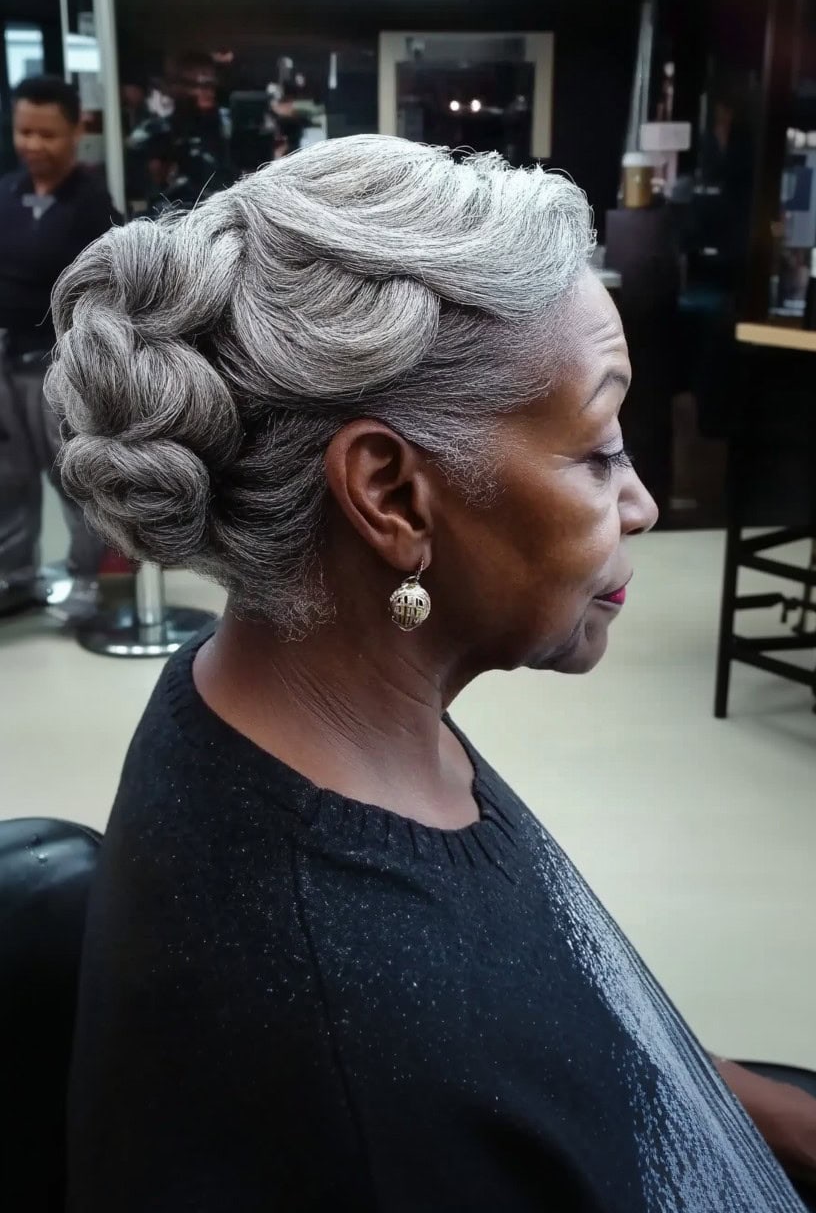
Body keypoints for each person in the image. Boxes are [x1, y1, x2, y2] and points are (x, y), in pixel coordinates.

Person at [48, 137, 814, 1211]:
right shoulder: (369, 1055)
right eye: (598, 449)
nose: (638, 501)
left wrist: (756, 1106)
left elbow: (581, 1021)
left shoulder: (290, 697)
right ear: (393, 497)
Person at [0, 75, 121, 619]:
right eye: (24, 132)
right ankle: (15, 578)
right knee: (8, 479)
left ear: (77, 131)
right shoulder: (5, 192)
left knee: (72, 478)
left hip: (59, 368)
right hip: (4, 363)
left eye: (47, 135)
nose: (33, 146)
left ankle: (85, 579)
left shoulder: (93, 205)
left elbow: (111, 288)